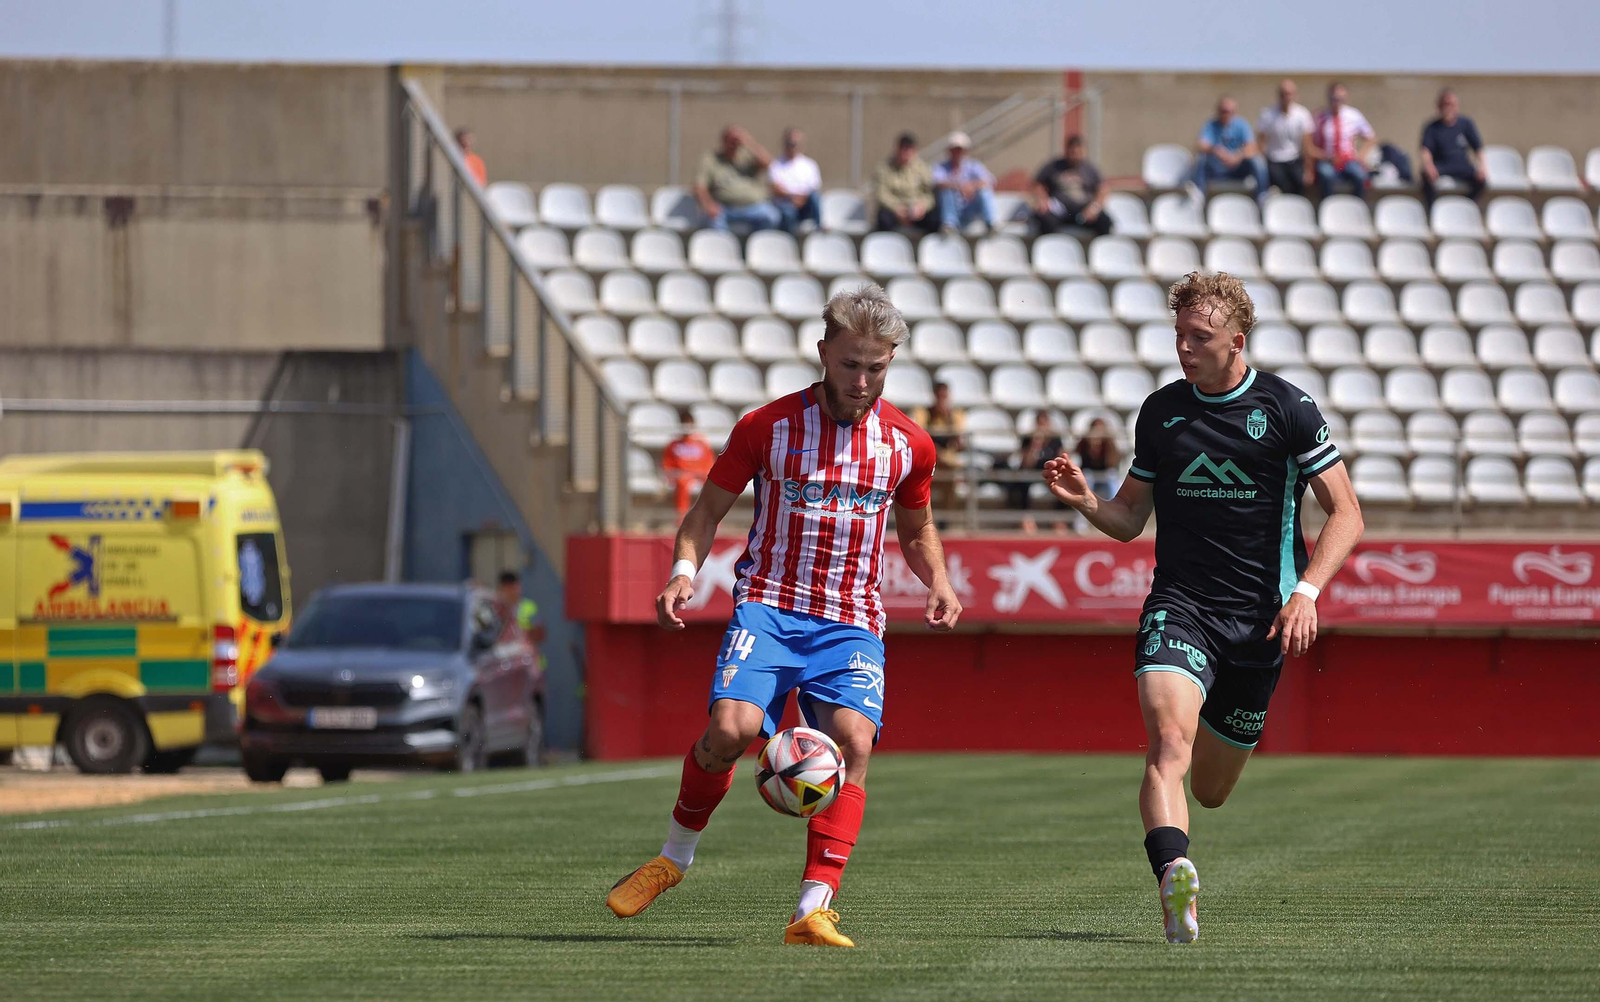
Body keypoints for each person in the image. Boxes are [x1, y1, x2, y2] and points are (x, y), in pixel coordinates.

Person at [605, 285, 963, 947]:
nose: (861, 380)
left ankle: (813, 908)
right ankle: (672, 859)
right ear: (824, 352)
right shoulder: (767, 427)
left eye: (876, 367)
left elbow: (918, 531)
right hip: (769, 608)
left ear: (892, 363)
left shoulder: (910, 445)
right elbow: (705, 514)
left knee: (855, 743)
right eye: (851, 363)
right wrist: (683, 574)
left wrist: (937, 578)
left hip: (851, 620)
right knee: (731, 732)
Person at [1041, 271, 1363, 945]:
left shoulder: (1288, 408)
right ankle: (1174, 874)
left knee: (1212, 790)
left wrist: (1306, 592)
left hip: (1261, 623)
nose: (1184, 348)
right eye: (1179, 334)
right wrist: (1084, 502)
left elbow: (1347, 514)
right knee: (1168, 745)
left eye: (1200, 336)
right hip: (1181, 609)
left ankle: (1182, 850)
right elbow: (1131, 518)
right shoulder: (1162, 411)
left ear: (1236, 341)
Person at [695, 125, 781, 232]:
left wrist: (748, 142)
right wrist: (708, 205)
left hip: (752, 207)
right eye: (731, 140)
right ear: (723, 141)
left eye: (736, 140)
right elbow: (699, 187)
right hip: (725, 208)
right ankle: (724, 247)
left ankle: (753, 246)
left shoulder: (747, 157)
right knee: (714, 221)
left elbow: (768, 164)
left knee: (772, 216)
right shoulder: (711, 159)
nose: (734, 143)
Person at [1186, 97, 1269, 205]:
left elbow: (1252, 146)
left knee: (1257, 160)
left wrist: (1237, 156)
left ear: (1235, 112)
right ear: (1218, 111)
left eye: (1229, 112)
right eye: (1223, 111)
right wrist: (1215, 150)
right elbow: (1200, 143)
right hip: (1217, 169)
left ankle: (1262, 195)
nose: (1226, 114)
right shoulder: (1211, 125)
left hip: (1238, 168)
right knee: (1201, 157)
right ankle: (1199, 193)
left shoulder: (1242, 125)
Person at [1032, 134, 1111, 237]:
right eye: (1072, 152)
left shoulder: (1090, 169)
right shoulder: (1054, 166)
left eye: (1078, 152)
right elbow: (1038, 184)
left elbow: (1103, 189)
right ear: (1067, 150)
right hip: (1059, 210)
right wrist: (1043, 200)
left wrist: (1094, 208)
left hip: (1083, 212)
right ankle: (1051, 249)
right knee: (1044, 220)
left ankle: (1099, 251)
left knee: (1105, 222)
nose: (1075, 156)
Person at [1419, 88, 1486, 209]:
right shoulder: (1431, 127)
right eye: (1445, 104)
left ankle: (1466, 205)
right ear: (1439, 106)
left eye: (1451, 104)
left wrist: (1482, 167)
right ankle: (1432, 210)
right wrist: (1429, 166)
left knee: (1482, 180)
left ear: (1457, 106)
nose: (1448, 107)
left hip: (1462, 165)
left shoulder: (1466, 124)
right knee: (1424, 175)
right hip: (1442, 165)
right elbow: (1425, 150)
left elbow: (1478, 148)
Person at [1307, 82, 1376, 200]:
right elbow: (1309, 145)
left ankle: (1358, 207)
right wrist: (1323, 157)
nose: (1337, 102)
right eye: (1334, 99)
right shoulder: (1320, 117)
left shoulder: (1353, 115)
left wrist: (1361, 155)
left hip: (1348, 160)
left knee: (1360, 176)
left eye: (1340, 99)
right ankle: (1328, 207)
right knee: (1327, 175)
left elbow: (1370, 138)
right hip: (1327, 160)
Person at [910, 382, 967, 513]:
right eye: (939, 396)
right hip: (928, 461)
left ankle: (946, 519)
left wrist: (949, 417)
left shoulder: (956, 415)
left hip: (948, 463)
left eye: (944, 396)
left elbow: (960, 444)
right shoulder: (923, 413)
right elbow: (920, 437)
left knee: (951, 483)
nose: (942, 400)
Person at [1006, 411, 1065, 534]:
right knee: (1022, 483)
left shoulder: (1056, 440)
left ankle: (1058, 520)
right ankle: (1026, 518)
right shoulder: (1028, 439)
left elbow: (1061, 460)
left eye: (1045, 423)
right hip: (1031, 473)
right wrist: (1035, 445)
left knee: (1061, 483)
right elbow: (1026, 464)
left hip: (1050, 473)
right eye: (1040, 423)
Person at [871, 132, 937, 234]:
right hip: (894, 210)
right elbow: (881, 193)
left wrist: (922, 206)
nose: (906, 154)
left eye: (909, 150)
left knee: (934, 219)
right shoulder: (884, 168)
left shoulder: (922, 168)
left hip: (916, 210)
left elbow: (929, 193)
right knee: (883, 219)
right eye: (903, 150)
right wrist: (896, 208)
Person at [1256, 80, 1313, 197]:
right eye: (1283, 93)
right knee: (1281, 187)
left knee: (1299, 186)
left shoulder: (1302, 114)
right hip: (1274, 161)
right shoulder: (1267, 114)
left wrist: (1309, 170)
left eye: (1289, 93)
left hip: (1295, 160)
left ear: (1294, 95)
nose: (1286, 97)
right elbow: (1261, 143)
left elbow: (1307, 145)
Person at [931, 132, 996, 234]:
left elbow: (989, 180)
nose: (957, 153)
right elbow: (936, 182)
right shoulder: (941, 167)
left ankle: (991, 224)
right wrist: (959, 187)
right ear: (949, 151)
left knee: (985, 191)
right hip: (953, 209)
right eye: (954, 150)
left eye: (960, 150)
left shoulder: (974, 166)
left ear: (966, 151)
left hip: (971, 208)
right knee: (946, 192)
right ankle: (949, 225)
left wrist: (972, 186)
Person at [661, 408, 717, 518]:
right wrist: (675, 474)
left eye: (689, 424)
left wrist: (701, 473)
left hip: (700, 474)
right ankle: (681, 517)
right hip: (682, 475)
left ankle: (712, 516)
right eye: (684, 424)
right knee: (682, 483)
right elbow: (667, 465)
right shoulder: (674, 444)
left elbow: (709, 463)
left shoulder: (701, 443)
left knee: (712, 483)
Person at [1072, 417, 1122, 531]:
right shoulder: (1084, 442)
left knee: (1112, 479)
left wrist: (1104, 444)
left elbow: (1112, 463)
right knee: (1086, 479)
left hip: (1104, 475)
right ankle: (1081, 522)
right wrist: (1091, 448)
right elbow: (1079, 458)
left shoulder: (1109, 443)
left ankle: (1115, 518)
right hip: (1090, 475)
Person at [769, 127, 822, 234]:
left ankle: (819, 230)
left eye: (796, 144)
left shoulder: (810, 164)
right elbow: (776, 189)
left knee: (815, 197)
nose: (793, 147)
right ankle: (790, 243)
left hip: (806, 204)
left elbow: (814, 187)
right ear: (784, 144)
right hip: (786, 204)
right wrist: (792, 198)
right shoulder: (776, 165)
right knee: (788, 213)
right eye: (790, 143)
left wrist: (802, 198)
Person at [496, 569, 546, 648]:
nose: (511, 591)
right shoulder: (496, 608)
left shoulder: (529, 607)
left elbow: (540, 635)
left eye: (513, 587)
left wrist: (519, 633)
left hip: (526, 656)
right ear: (501, 589)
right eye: (507, 588)